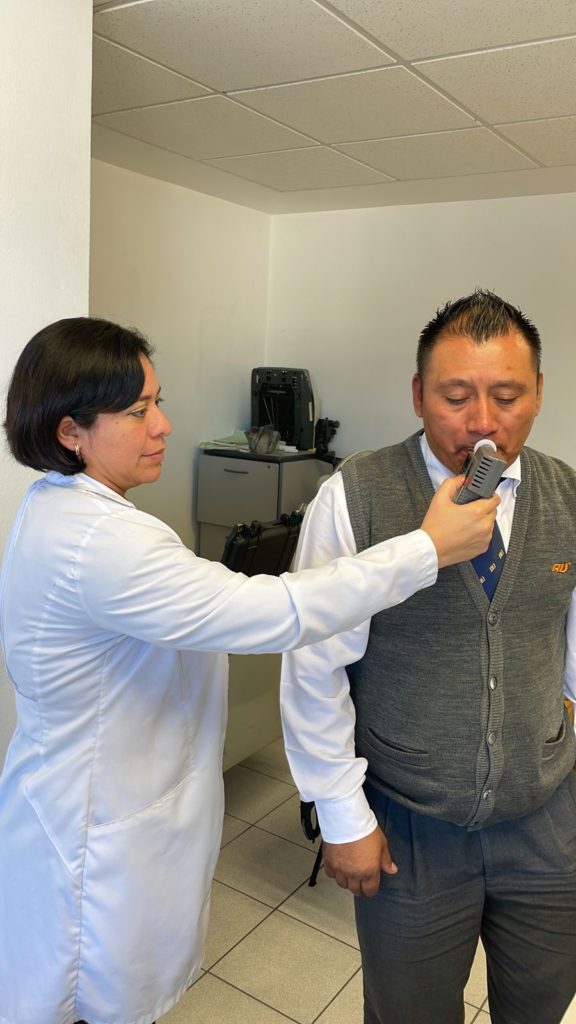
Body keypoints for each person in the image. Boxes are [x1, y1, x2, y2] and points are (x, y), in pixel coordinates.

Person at [0, 316, 497, 1024]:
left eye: (158, 401)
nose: (164, 425)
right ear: (69, 431)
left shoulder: (62, 509)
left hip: (87, 805)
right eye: (138, 411)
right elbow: (278, 613)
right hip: (90, 838)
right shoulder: (98, 542)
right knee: (80, 999)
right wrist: (426, 548)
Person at [281, 289, 576, 1024]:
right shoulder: (355, 496)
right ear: (418, 395)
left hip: (546, 821)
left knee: (540, 1007)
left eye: (507, 396)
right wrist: (341, 814)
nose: (482, 422)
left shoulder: (567, 496)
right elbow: (315, 667)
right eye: (455, 397)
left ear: (539, 393)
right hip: (408, 823)